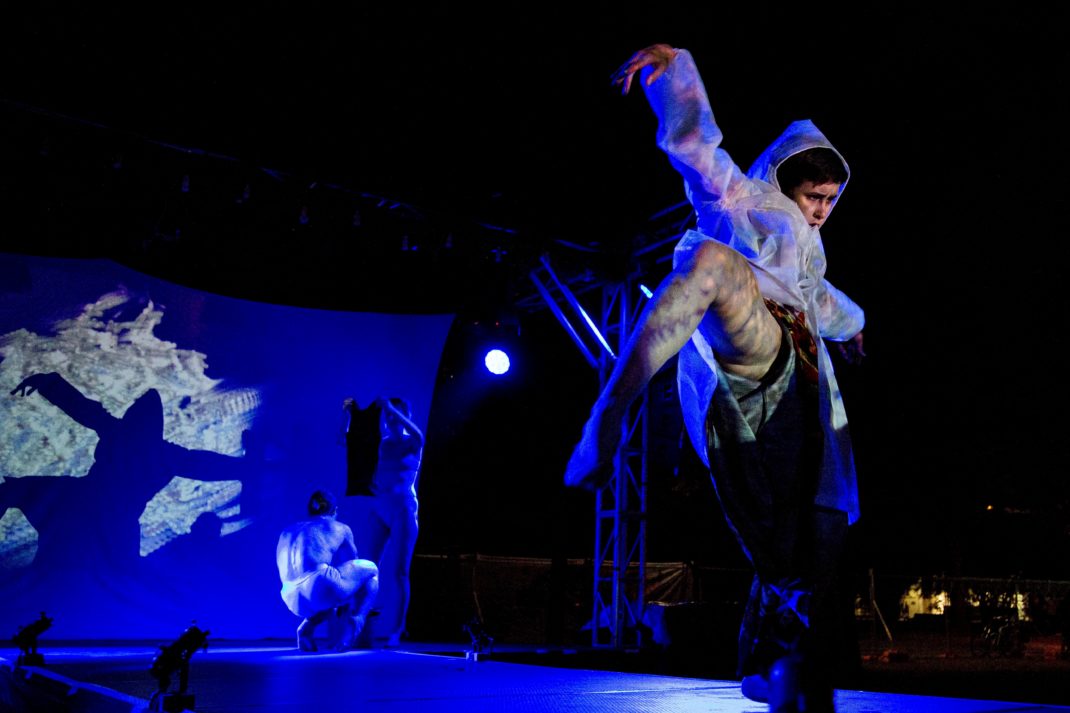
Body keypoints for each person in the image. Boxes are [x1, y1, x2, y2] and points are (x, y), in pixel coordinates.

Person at [565, 44, 866, 710]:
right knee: (709, 259)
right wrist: (674, 74)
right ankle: (612, 410)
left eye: (831, 200)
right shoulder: (743, 197)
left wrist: (856, 322)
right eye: (814, 196)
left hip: (802, 374)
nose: (821, 209)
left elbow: (823, 302)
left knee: (814, 533)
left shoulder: (814, 249)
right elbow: (699, 151)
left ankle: (775, 661)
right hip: (751, 331)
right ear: (788, 180)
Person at [348, 397, 424, 648]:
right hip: (380, 509)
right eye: (388, 416)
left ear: (404, 417)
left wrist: (392, 409)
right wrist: (349, 413)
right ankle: (360, 623)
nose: (390, 420)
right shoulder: (382, 444)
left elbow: (418, 433)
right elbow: (348, 441)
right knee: (369, 567)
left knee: (399, 572)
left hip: (403, 510)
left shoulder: (413, 442)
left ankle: (398, 630)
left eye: (395, 416)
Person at [276, 489, 379, 652]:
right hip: (319, 584)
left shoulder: (288, 531)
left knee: (326, 593)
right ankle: (357, 622)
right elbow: (353, 561)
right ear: (334, 511)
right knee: (371, 570)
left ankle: (306, 629)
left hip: (289, 595)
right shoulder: (339, 527)